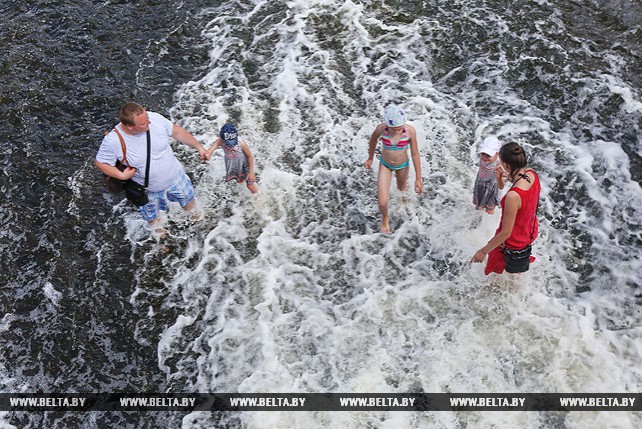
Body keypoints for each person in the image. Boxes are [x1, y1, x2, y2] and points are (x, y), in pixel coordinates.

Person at [95, 102, 209, 231]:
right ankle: (162, 239)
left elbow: (176, 131)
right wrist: (121, 175)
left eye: (147, 118)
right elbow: (101, 162)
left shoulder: (153, 118)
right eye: (143, 123)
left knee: (190, 204)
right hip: (148, 190)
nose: (149, 123)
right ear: (129, 126)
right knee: (154, 221)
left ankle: (199, 224)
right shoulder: (113, 141)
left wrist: (199, 147)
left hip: (175, 178)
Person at [471, 142, 541, 275]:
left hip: (513, 243)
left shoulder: (512, 197)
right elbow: (516, 180)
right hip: (529, 231)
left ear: (506, 165)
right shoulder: (531, 174)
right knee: (515, 275)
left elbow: (506, 233)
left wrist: (483, 251)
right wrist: (500, 177)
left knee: (494, 276)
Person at [364, 105, 423, 233]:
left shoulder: (410, 131)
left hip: (403, 166)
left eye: (398, 129)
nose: (396, 132)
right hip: (385, 165)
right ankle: (385, 218)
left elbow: (415, 154)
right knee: (382, 201)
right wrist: (370, 158)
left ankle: (405, 204)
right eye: (393, 129)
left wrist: (418, 179)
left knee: (402, 190)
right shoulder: (381, 129)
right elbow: (373, 140)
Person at [207, 124, 258, 194]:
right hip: (233, 164)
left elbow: (250, 156)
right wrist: (208, 154)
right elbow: (211, 150)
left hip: (244, 164)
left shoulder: (241, 143)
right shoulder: (220, 141)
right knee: (239, 180)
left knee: (250, 185)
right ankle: (244, 184)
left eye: (233, 142)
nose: (231, 145)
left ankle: (258, 197)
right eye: (229, 143)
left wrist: (251, 172)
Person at [473, 136, 505, 215]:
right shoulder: (483, 158)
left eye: (488, 155)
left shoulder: (499, 166)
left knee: (489, 210)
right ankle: (479, 218)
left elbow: (501, 186)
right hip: (480, 184)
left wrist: (500, 175)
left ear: (497, 154)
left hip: (491, 190)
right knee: (478, 205)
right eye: (483, 154)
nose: (485, 157)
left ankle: (487, 224)